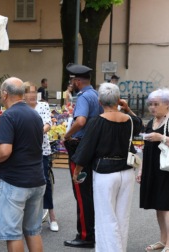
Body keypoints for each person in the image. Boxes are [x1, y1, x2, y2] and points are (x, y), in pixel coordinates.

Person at [71, 83, 142, 252]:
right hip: (126, 171)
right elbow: (140, 125)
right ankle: (119, 248)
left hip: (105, 172)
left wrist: (77, 170)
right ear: (118, 100)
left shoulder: (97, 122)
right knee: (122, 217)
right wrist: (127, 108)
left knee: (105, 217)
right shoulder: (129, 121)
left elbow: (86, 148)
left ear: (99, 101)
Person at [0, 77, 46, 252]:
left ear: (4, 94)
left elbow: (5, 151)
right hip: (37, 179)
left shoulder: (9, 116)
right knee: (33, 231)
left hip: (15, 181)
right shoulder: (34, 114)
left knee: (13, 234)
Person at [137, 88, 169, 252]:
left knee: (167, 205)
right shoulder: (151, 122)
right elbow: (146, 149)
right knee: (158, 206)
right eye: (150, 104)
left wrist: (162, 138)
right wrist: (141, 170)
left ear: (166, 104)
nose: (152, 108)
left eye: (156, 104)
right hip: (153, 169)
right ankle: (162, 240)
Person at [62, 63, 103, 248]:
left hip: (80, 147)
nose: (73, 83)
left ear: (78, 81)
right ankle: (92, 232)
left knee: (81, 193)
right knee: (89, 193)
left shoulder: (84, 97)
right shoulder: (96, 95)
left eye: (73, 80)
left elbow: (80, 121)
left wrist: (67, 134)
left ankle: (86, 235)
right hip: (93, 148)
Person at [24, 81, 59, 232]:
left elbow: (47, 124)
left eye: (33, 92)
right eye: (28, 92)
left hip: (41, 149)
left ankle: (52, 216)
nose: (32, 95)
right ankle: (27, 216)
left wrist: (35, 133)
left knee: (45, 183)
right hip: (24, 151)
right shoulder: (21, 107)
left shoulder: (43, 106)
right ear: (23, 95)